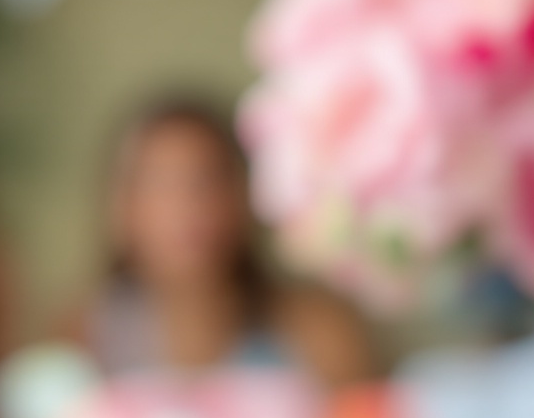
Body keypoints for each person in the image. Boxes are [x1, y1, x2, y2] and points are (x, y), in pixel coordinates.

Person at [88, 95, 374, 385]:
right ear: (120, 208)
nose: (185, 207)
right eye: (158, 184)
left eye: (204, 181)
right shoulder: (85, 340)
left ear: (247, 195)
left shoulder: (321, 333)